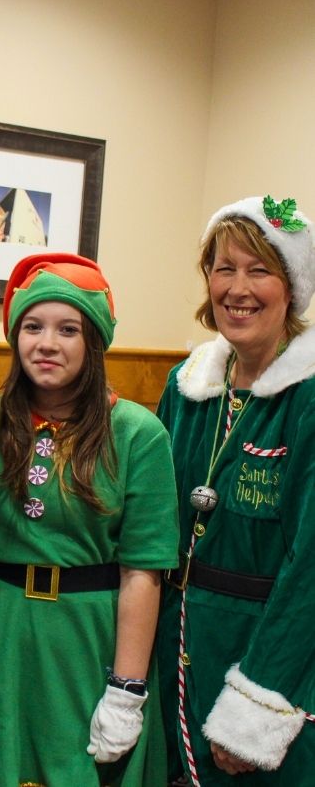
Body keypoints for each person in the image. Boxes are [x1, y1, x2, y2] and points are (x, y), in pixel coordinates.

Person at [0, 252, 180, 787]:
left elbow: (143, 571)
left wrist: (126, 689)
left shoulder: (140, 435)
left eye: (68, 329)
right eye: (33, 327)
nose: (47, 343)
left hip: (84, 643)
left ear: (94, 341)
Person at [157, 195, 315, 785]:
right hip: (173, 650)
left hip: (266, 662)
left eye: (259, 270)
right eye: (224, 268)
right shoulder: (187, 386)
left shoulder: (308, 397)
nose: (238, 288)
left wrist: (258, 702)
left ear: (291, 287)